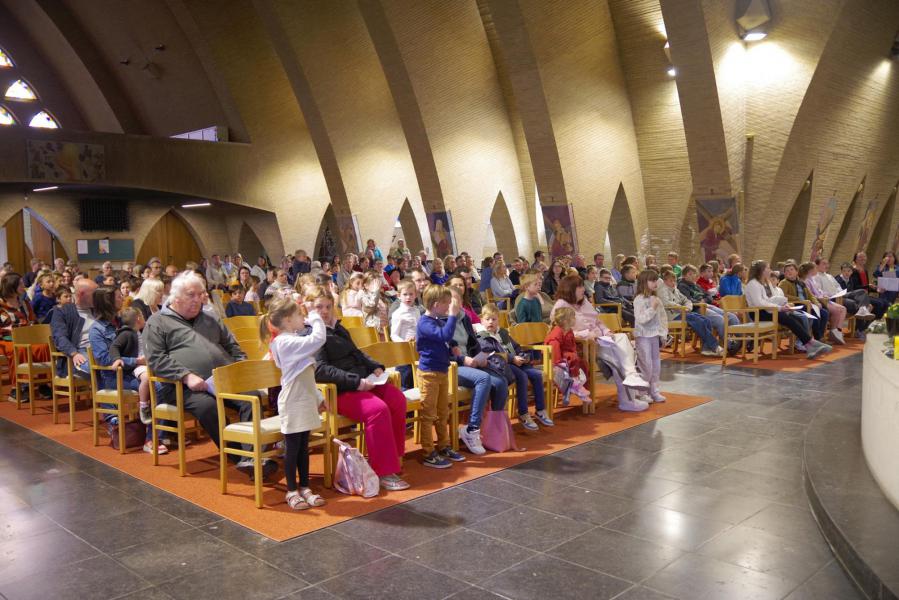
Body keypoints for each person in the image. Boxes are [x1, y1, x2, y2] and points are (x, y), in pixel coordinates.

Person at [144, 271, 276, 480]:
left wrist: (240, 367)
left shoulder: (209, 317)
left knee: (252, 398)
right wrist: (186, 375)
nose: (199, 299)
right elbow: (156, 359)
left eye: (201, 294)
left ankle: (251, 455)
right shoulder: (157, 322)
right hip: (183, 386)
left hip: (224, 380)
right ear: (175, 297)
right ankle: (239, 457)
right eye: (192, 295)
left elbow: (232, 345)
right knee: (208, 407)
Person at [310, 286, 409, 491]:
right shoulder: (312, 334)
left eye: (328, 306)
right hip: (340, 391)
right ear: (309, 307)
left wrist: (376, 367)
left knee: (397, 398)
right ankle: (384, 471)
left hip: (361, 380)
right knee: (377, 410)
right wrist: (357, 382)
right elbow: (321, 371)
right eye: (319, 306)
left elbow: (357, 353)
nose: (325, 311)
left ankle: (395, 458)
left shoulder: (338, 327)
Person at [261, 295, 328, 510]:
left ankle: (305, 487)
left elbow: (306, 376)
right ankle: (291, 491)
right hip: (293, 401)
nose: (304, 318)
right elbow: (317, 339)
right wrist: (316, 317)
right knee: (292, 447)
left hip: (305, 398)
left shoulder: (292, 339)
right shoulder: (284, 341)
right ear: (288, 320)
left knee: (303, 447)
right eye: (300, 315)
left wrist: (318, 397)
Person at [551, 275, 649, 412]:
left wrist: (607, 331)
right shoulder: (561, 305)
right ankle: (628, 398)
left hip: (602, 340)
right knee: (620, 357)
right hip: (585, 346)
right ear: (570, 289)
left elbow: (598, 322)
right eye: (579, 287)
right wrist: (587, 334)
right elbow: (562, 332)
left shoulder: (583, 301)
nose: (583, 289)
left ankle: (632, 380)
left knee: (621, 338)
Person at [415, 284, 466, 468]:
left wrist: (453, 344)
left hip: (442, 371)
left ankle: (443, 445)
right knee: (429, 414)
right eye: (446, 303)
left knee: (443, 413)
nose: (448, 306)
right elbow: (443, 334)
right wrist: (452, 315)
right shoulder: (425, 322)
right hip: (429, 373)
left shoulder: (436, 319)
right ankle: (428, 452)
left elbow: (445, 337)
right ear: (436, 304)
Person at [479, 303, 552, 430]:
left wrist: (522, 355)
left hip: (515, 361)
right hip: (502, 365)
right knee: (522, 376)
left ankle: (540, 410)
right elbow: (492, 355)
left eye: (494, 319)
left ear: (498, 320)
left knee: (536, 375)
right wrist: (513, 359)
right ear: (482, 321)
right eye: (487, 319)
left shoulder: (502, 332)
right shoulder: (482, 336)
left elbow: (516, 346)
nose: (491, 322)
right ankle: (523, 413)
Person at [744, 261, 832, 359]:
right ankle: (811, 343)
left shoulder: (761, 283)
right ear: (761, 270)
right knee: (786, 317)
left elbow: (768, 300)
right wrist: (779, 308)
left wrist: (783, 306)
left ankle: (809, 345)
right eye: (768, 268)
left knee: (794, 316)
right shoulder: (753, 284)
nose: (770, 270)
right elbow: (759, 303)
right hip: (757, 313)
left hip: (765, 310)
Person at [112, 307, 157, 452]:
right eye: (143, 316)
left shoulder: (138, 332)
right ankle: (143, 406)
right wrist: (117, 359)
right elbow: (114, 347)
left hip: (143, 363)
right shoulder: (126, 334)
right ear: (138, 318)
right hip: (136, 367)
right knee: (147, 378)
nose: (145, 318)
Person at [658, 270, 723, 356]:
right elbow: (666, 302)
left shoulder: (675, 290)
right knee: (698, 321)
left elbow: (686, 300)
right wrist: (681, 307)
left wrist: (688, 307)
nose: (673, 282)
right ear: (665, 281)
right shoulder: (662, 290)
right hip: (672, 315)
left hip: (682, 312)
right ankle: (714, 346)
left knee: (706, 320)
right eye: (671, 280)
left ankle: (706, 348)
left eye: (675, 280)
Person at [50, 278, 98, 378]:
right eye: (94, 294)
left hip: (102, 349)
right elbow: (60, 337)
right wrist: (74, 353)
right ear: (81, 294)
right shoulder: (63, 312)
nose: (97, 297)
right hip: (80, 352)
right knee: (98, 370)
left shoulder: (98, 311)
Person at [544, 307, 592, 406]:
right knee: (573, 358)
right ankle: (575, 385)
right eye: (573, 317)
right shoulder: (557, 331)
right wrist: (558, 362)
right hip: (557, 357)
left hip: (567, 355)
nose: (575, 319)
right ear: (566, 320)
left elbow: (571, 344)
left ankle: (578, 387)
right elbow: (554, 347)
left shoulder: (568, 330)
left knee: (584, 363)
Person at [633, 270, 667, 404]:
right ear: (644, 282)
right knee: (645, 365)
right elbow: (641, 319)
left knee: (656, 365)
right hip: (643, 336)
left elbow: (662, 318)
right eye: (652, 280)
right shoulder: (639, 299)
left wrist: (663, 334)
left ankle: (654, 391)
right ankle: (642, 392)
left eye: (656, 280)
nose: (655, 283)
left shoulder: (656, 299)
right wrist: (652, 307)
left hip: (654, 335)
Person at [778, 262, 830, 342]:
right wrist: (799, 299)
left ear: (796, 272)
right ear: (784, 273)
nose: (789, 272)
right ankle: (817, 338)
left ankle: (820, 336)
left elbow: (811, 295)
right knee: (814, 315)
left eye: (791, 270)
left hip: (807, 304)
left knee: (824, 313)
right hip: (795, 306)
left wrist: (817, 303)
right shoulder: (784, 283)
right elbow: (782, 296)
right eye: (787, 271)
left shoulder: (801, 283)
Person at [801, 262, 846, 344]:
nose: (816, 270)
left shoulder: (812, 279)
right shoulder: (806, 280)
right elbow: (810, 294)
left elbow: (819, 291)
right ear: (810, 270)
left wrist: (825, 296)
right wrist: (820, 299)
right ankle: (824, 335)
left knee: (840, 309)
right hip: (817, 301)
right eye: (815, 268)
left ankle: (833, 332)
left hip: (822, 300)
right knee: (832, 311)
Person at [848, 252, 888, 318]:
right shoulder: (853, 271)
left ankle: (874, 322)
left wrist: (877, 290)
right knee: (879, 303)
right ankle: (866, 324)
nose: (863, 258)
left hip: (865, 295)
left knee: (885, 303)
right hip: (858, 296)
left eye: (864, 257)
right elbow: (855, 287)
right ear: (855, 259)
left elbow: (867, 287)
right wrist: (868, 285)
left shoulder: (864, 270)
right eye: (860, 257)